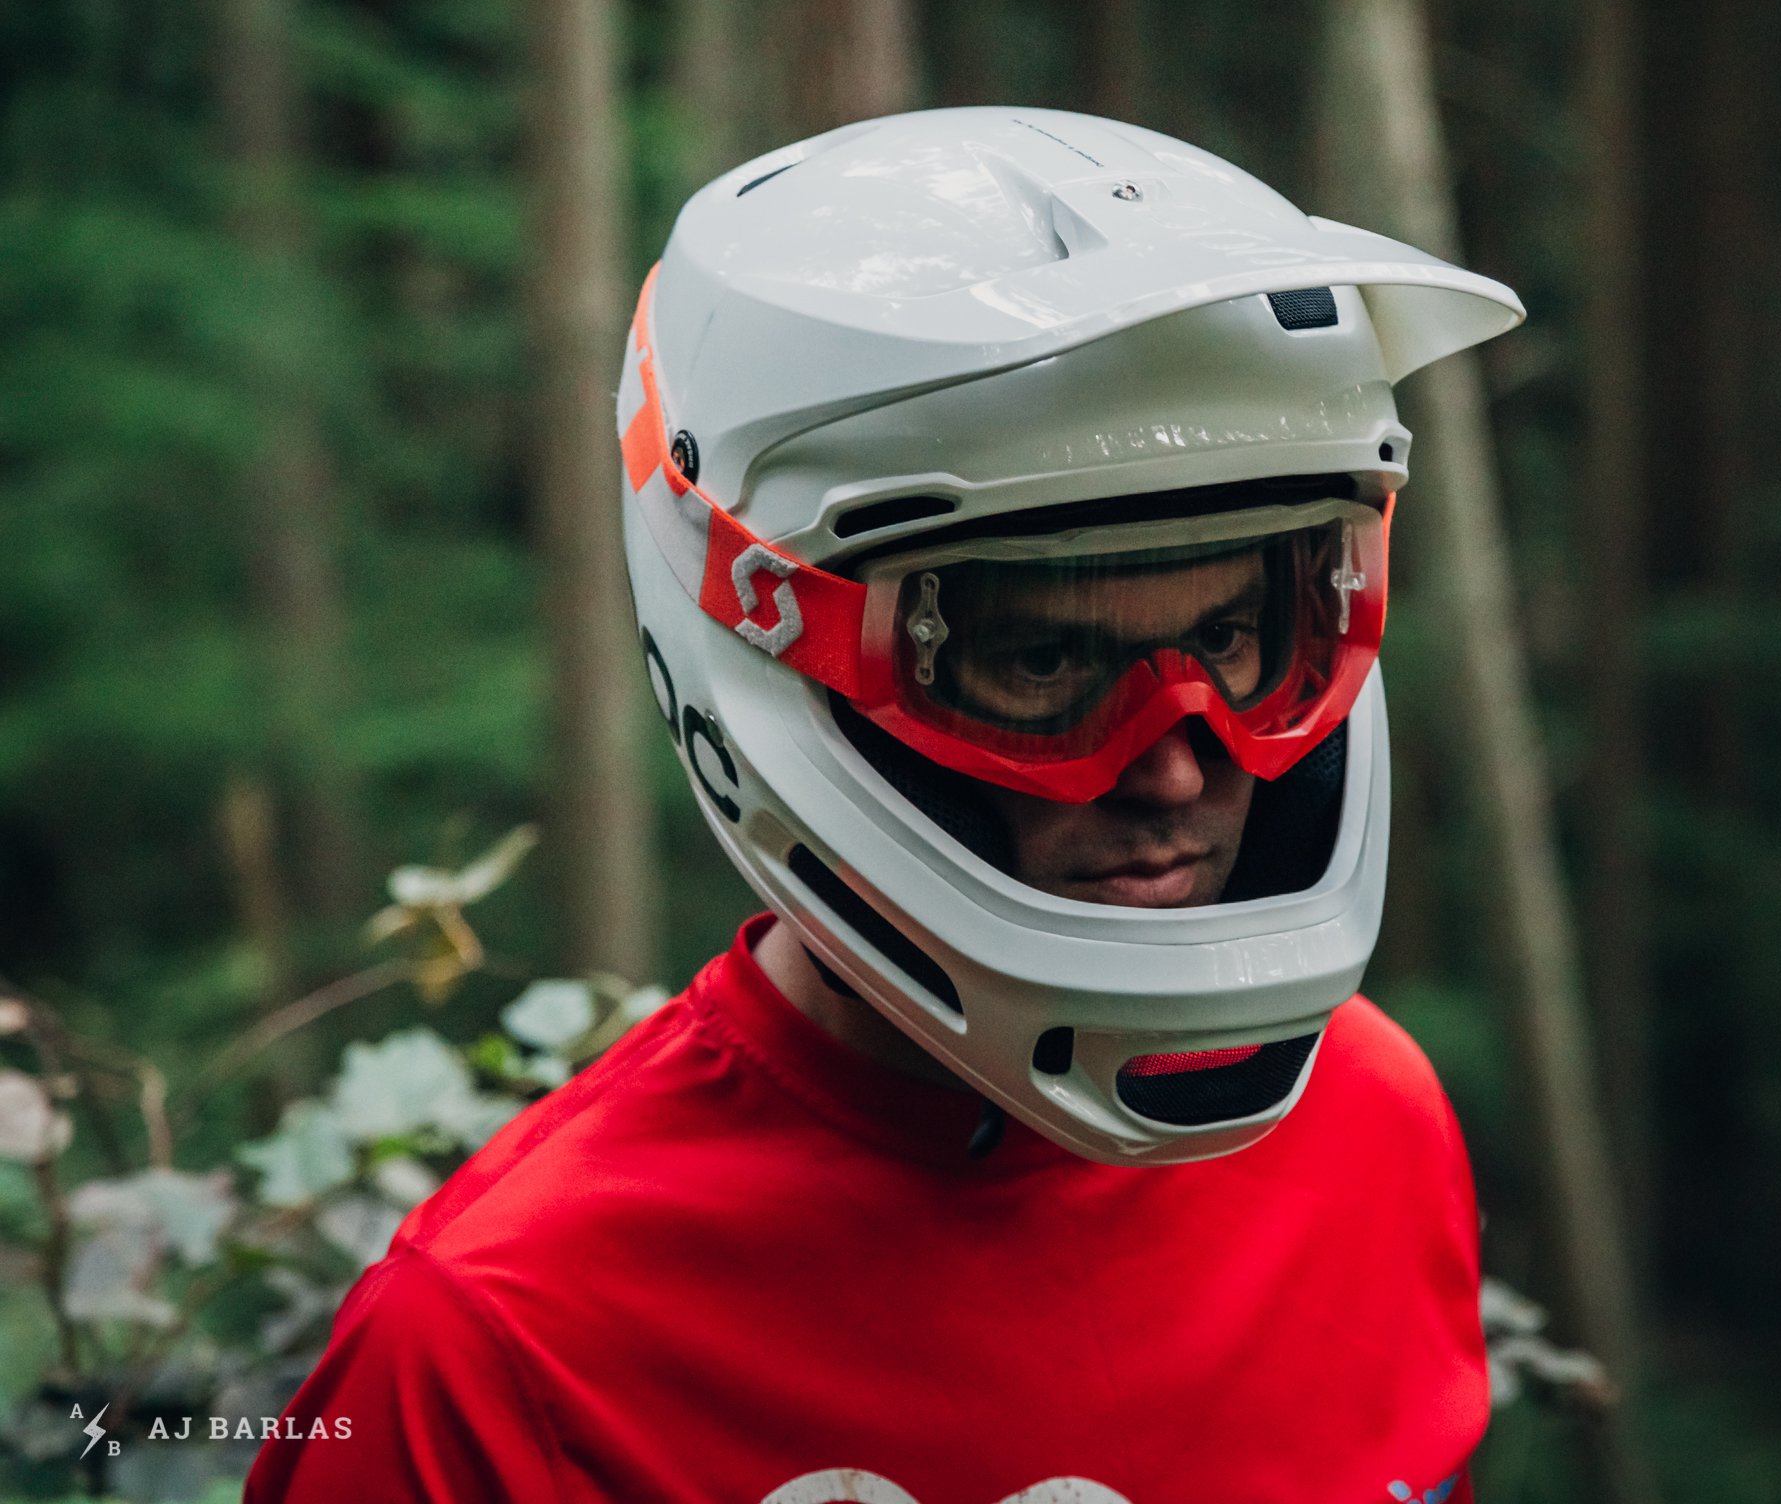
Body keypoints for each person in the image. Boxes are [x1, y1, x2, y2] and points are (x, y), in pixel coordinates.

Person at [246, 106, 1522, 1504]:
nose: (1173, 765)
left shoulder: (1365, 1124)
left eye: (1230, 642)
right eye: (1044, 659)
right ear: (759, 632)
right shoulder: (505, 1347)